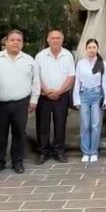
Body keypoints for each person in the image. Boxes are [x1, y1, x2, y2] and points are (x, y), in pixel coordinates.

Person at [0, 30, 38, 175]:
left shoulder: (29, 60)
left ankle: (18, 161)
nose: (15, 42)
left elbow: (36, 81)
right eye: (12, 40)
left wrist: (33, 100)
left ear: (22, 43)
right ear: (6, 42)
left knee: (19, 133)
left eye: (19, 40)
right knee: (0, 134)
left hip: (21, 103)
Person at [35, 30, 76, 163]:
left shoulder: (68, 55)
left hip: (61, 96)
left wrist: (59, 91)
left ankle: (59, 151)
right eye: (53, 38)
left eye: (58, 38)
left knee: (60, 124)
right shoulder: (40, 56)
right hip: (44, 95)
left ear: (62, 40)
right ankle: (43, 152)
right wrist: (46, 91)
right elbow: (36, 76)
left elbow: (71, 76)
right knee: (43, 125)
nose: (55, 40)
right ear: (48, 40)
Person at [73, 39, 106, 162]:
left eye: (94, 47)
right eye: (89, 47)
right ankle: (85, 152)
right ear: (86, 49)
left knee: (96, 125)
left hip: (97, 95)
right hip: (84, 95)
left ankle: (94, 152)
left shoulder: (102, 63)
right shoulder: (81, 64)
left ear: (97, 49)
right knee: (85, 125)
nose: (92, 50)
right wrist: (76, 99)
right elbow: (77, 82)